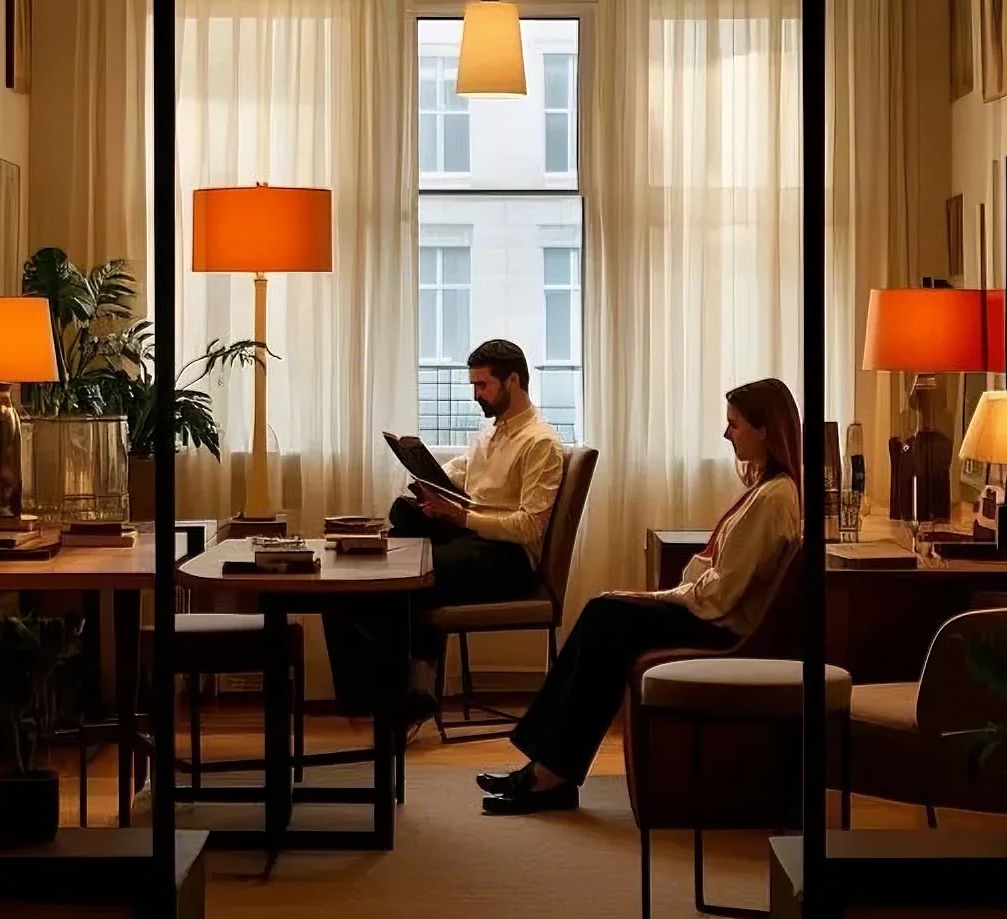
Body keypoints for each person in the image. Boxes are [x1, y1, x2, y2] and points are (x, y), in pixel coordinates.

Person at [477, 376, 802, 815]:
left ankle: (550, 772)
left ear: (764, 429)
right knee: (604, 618)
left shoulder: (773, 499)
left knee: (605, 616)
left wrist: (657, 598)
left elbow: (720, 595)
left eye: (736, 425)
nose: (727, 435)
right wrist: (656, 596)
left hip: (719, 628)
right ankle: (549, 769)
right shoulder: (768, 490)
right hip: (711, 613)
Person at [320, 339, 565, 721]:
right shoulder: (491, 434)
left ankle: (400, 694)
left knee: (402, 577)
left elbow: (530, 528)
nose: (476, 395)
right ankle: (382, 695)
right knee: (376, 558)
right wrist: (427, 484)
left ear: (513, 380)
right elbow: (462, 473)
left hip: (507, 560)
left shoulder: (541, 442)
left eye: (482, 385)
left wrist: (460, 517)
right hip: (473, 545)